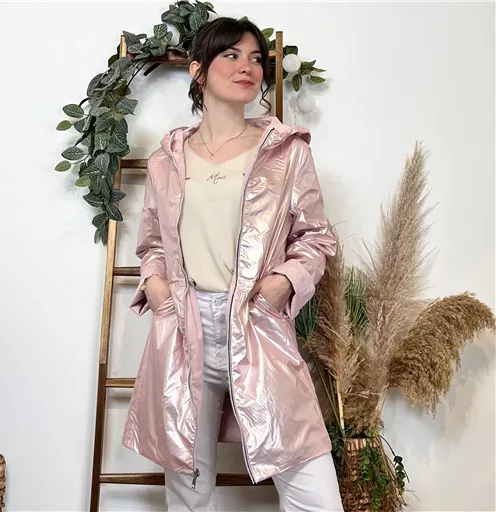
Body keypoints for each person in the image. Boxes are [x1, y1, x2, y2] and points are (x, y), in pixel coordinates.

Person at [122, 16, 344, 512]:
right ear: (198, 71)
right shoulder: (166, 160)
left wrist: (283, 283)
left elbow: (315, 237)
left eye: (256, 59)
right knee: (189, 488)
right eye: (231, 55)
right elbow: (152, 243)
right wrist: (156, 284)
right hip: (185, 325)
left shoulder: (286, 153)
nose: (247, 67)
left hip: (257, 323)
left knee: (314, 492)